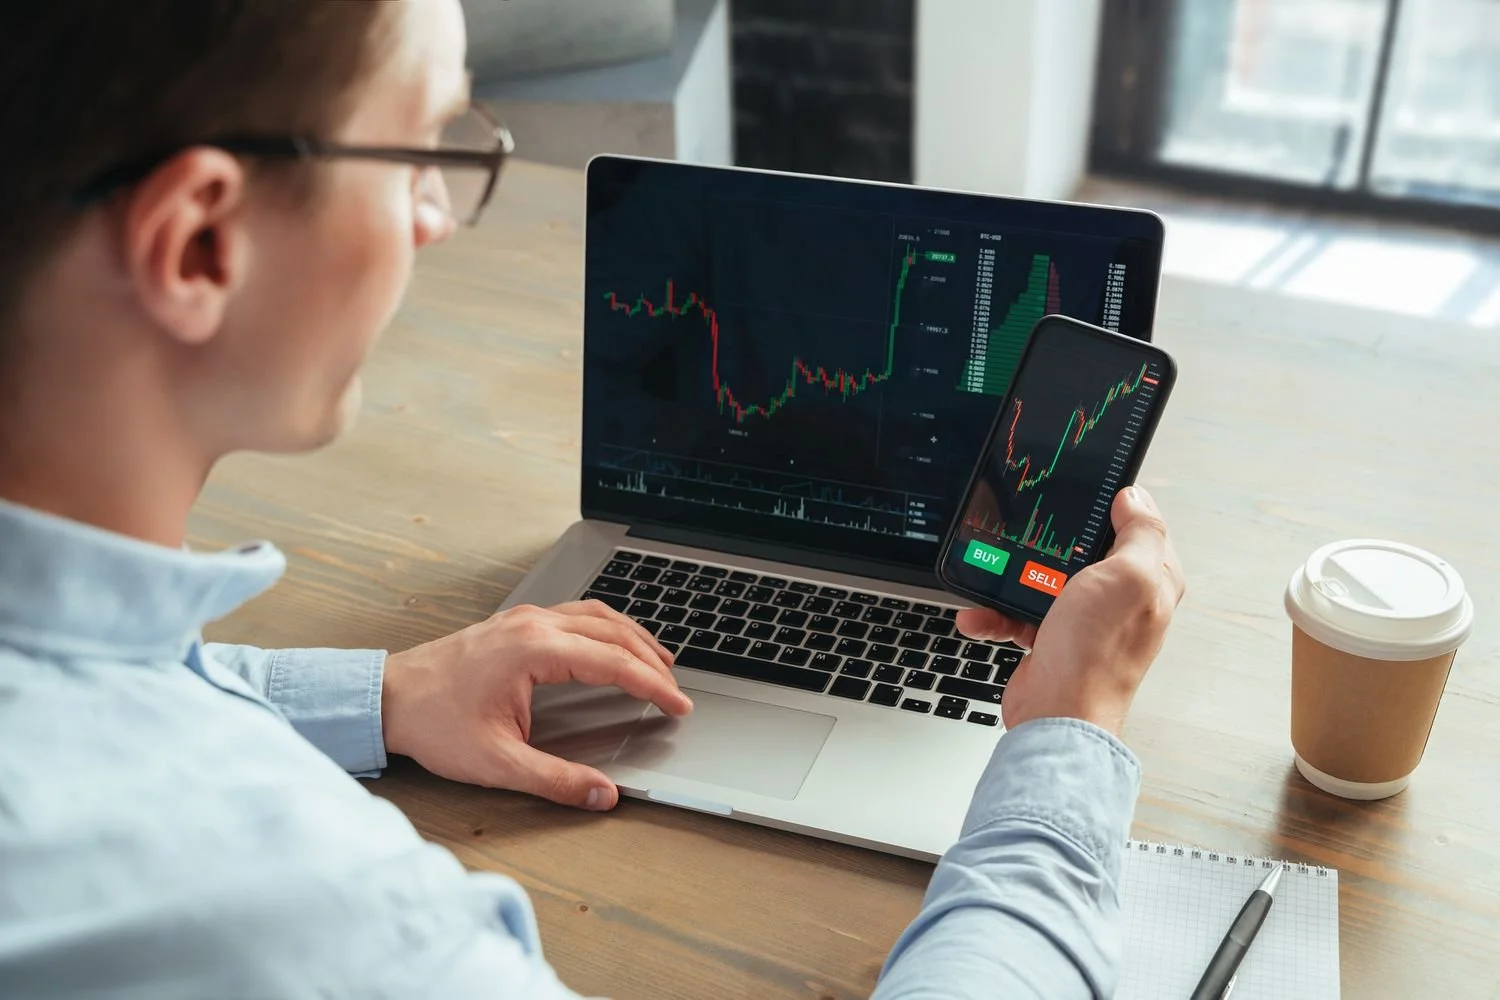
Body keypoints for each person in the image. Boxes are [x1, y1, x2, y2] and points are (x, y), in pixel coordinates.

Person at [0, 2, 1185, 997]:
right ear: (201, 244)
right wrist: (1067, 737)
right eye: (420, 149)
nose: (436, 219)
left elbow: (109, 694)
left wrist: (384, 693)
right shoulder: (330, 922)